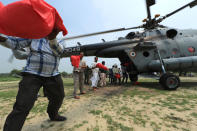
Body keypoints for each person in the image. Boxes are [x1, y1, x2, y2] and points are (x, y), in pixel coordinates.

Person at [0, 28, 66, 131]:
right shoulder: (33, 36)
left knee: (59, 97)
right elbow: (15, 43)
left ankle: (53, 114)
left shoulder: (60, 40)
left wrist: (52, 39)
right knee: (22, 105)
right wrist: (2, 38)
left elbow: (59, 51)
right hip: (32, 75)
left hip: (53, 75)